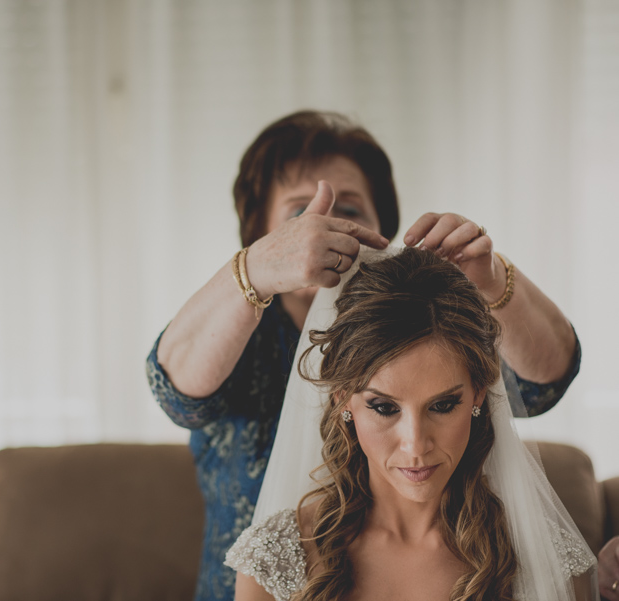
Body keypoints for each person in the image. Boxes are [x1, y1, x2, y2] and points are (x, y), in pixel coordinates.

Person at [145, 110, 582, 601]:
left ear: (380, 229)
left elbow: (546, 381)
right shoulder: (240, 334)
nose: (326, 223)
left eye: (348, 209)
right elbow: (174, 392)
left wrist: (492, 279)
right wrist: (260, 266)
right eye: (298, 213)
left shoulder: (430, 330)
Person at [225, 247, 596, 601]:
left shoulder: (544, 555)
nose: (416, 445)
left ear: (478, 395)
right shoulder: (276, 557)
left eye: (444, 405)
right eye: (385, 408)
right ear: (342, 399)